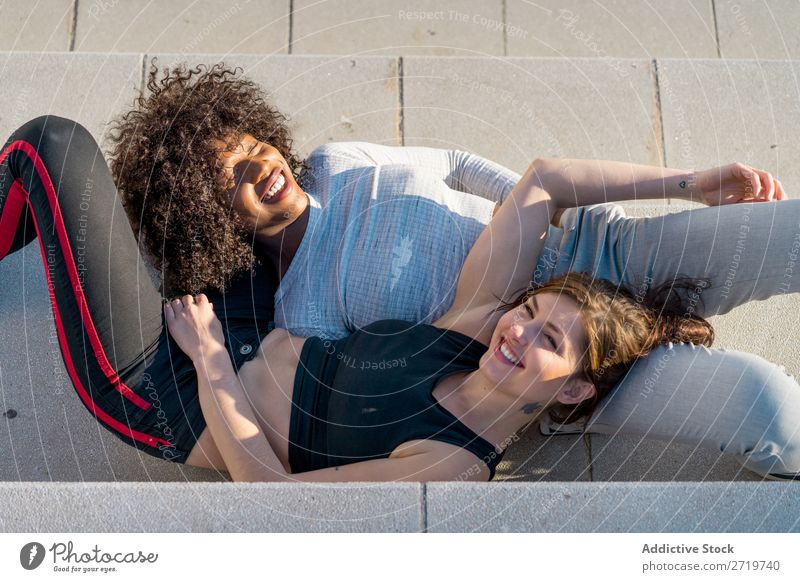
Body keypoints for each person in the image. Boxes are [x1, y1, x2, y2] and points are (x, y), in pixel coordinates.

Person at [1, 60, 798, 478]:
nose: (261, 168)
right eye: (232, 182)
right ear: (218, 221)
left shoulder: (336, 158)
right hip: (559, 352)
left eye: (253, 148)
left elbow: (463, 164)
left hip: (588, 249)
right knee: (769, 408)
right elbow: (357, 400)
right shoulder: (303, 307)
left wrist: (692, 184)